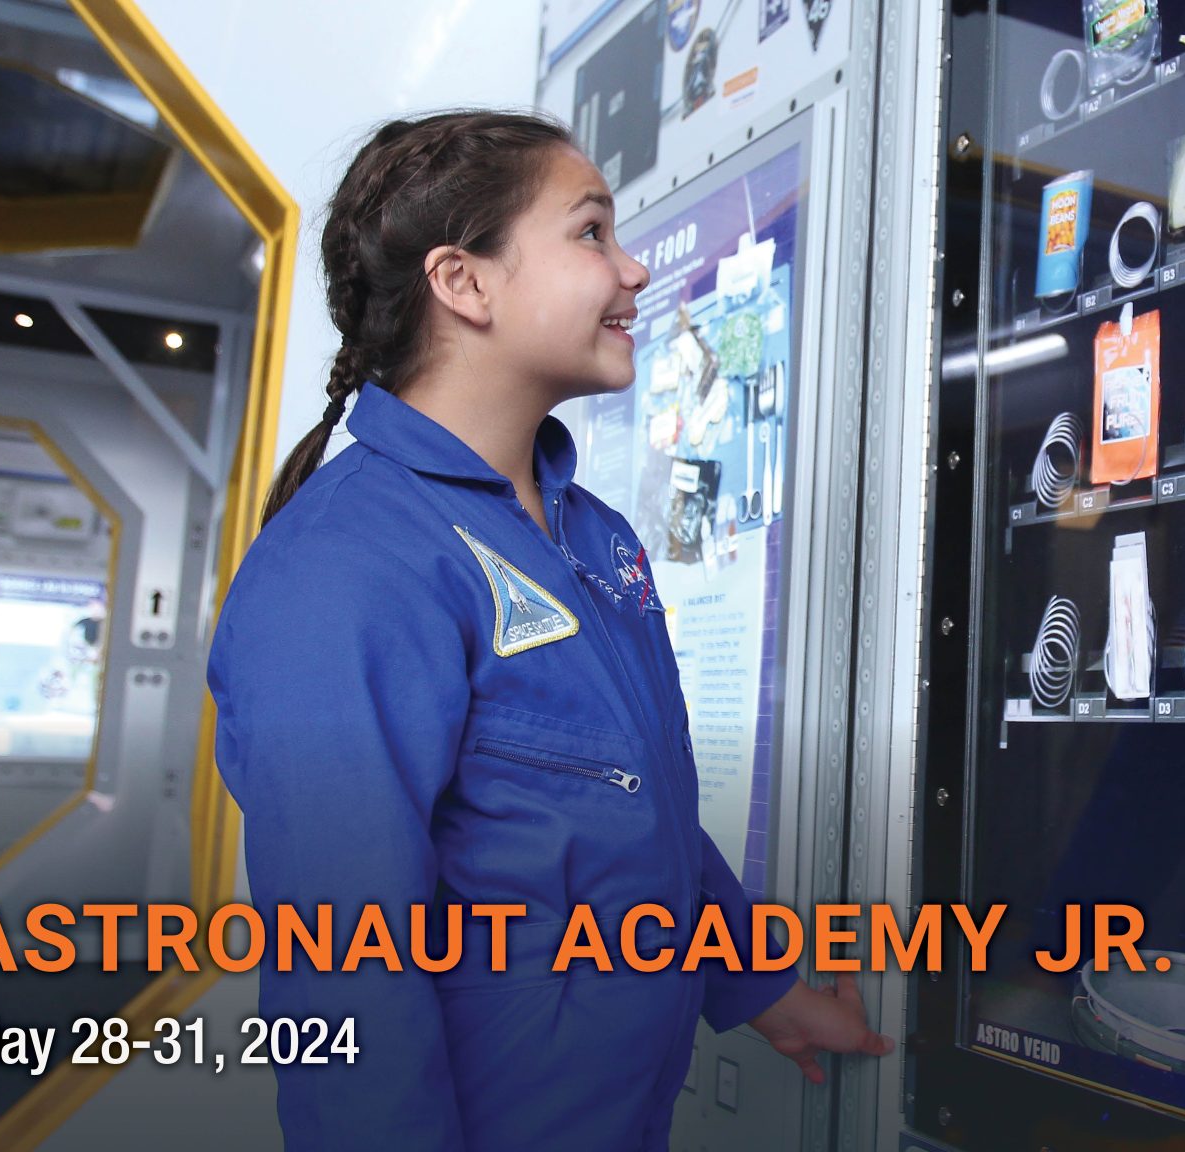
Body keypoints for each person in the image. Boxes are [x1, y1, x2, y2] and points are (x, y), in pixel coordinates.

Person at [208, 111, 891, 1151]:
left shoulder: (591, 535)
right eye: (589, 233)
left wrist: (757, 985)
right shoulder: (343, 572)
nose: (630, 270)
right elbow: (344, 985)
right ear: (463, 283)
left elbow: (629, 818)